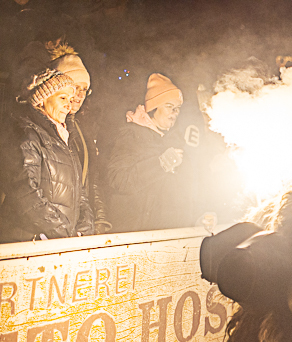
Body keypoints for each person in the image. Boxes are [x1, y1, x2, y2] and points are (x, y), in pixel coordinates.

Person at [0, 66, 94, 242]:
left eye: (70, 99)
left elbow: (79, 192)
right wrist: (62, 231)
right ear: (42, 100)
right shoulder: (26, 134)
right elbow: (25, 191)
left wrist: (85, 226)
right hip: (31, 242)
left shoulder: (65, 139)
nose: (69, 105)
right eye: (62, 98)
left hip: (61, 241)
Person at [104, 73, 191, 232]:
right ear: (153, 108)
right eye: (168, 106)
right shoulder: (132, 135)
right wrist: (160, 164)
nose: (174, 112)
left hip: (165, 231)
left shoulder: (174, 140)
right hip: (134, 232)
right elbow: (118, 180)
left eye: (177, 108)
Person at [49, 41, 111, 234]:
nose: (79, 95)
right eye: (75, 87)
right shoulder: (47, 128)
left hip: (76, 228)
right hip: (49, 232)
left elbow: (91, 179)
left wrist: (99, 219)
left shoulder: (81, 129)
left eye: (85, 89)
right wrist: (61, 229)